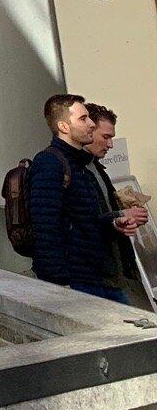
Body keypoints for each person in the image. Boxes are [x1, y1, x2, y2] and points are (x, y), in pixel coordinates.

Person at [27, 93, 144, 303]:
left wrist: (114, 221)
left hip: (101, 277)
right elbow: (45, 228)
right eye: (83, 119)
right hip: (78, 283)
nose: (91, 124)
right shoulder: (50, 164)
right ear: (63, 126)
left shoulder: (83, 165)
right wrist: (60, 286)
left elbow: (86, 219)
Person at [85, 103, 152, 308]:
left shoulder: (96, 167)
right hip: (96, 275)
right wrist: (120, 215)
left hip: (115, 269)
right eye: (106, 137)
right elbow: (84, 220)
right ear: (88, 131)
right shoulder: (72, 170)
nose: (111, 144)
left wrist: (124, 215)